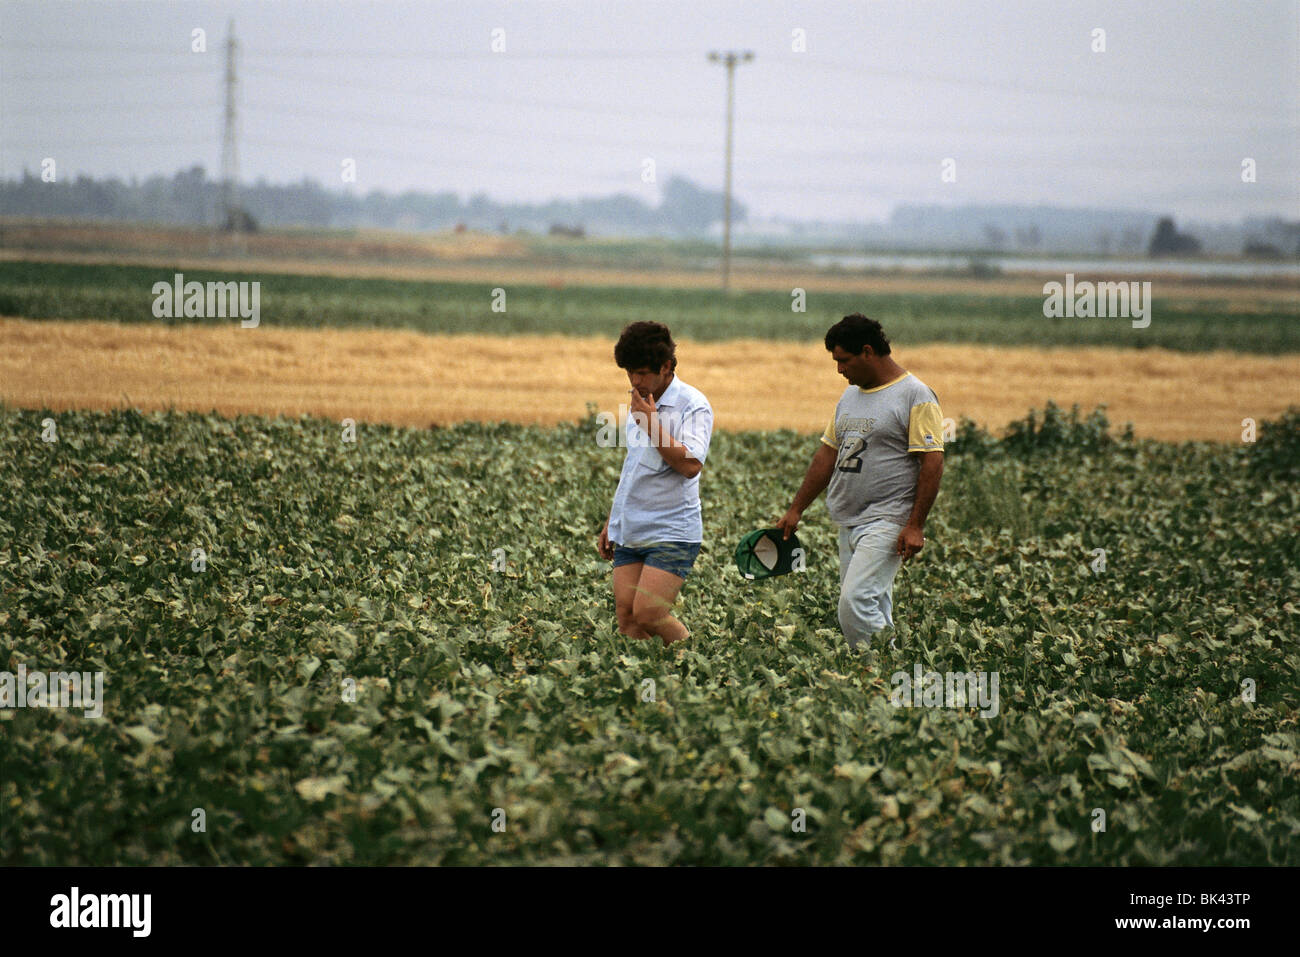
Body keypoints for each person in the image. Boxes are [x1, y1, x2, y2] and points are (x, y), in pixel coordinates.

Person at [777, 314, 944, 649]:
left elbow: (932, 461)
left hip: (888, 519)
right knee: (874, 603)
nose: (840, 370)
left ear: (868, 351)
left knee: (854, 602)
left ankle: (873, 670)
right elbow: (827, 456)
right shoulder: (849, 398)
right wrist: (796, 509)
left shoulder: (915, 395)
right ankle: (887, 676)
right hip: (848, 519)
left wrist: (915, 525)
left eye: (844, 360)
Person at [597, 321, 713, 646]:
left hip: (672, 529)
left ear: (666, 367)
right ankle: (654, 683)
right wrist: (613, 520)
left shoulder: (693, 405)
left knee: (649, 613)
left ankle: (695, 666)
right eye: (630, 373)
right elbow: (634, 465)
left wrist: (650, 422)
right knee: (628, 618)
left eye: (644, 373)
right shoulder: (637, 400)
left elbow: (690, 464)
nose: (636, 381)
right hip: (632, 527)